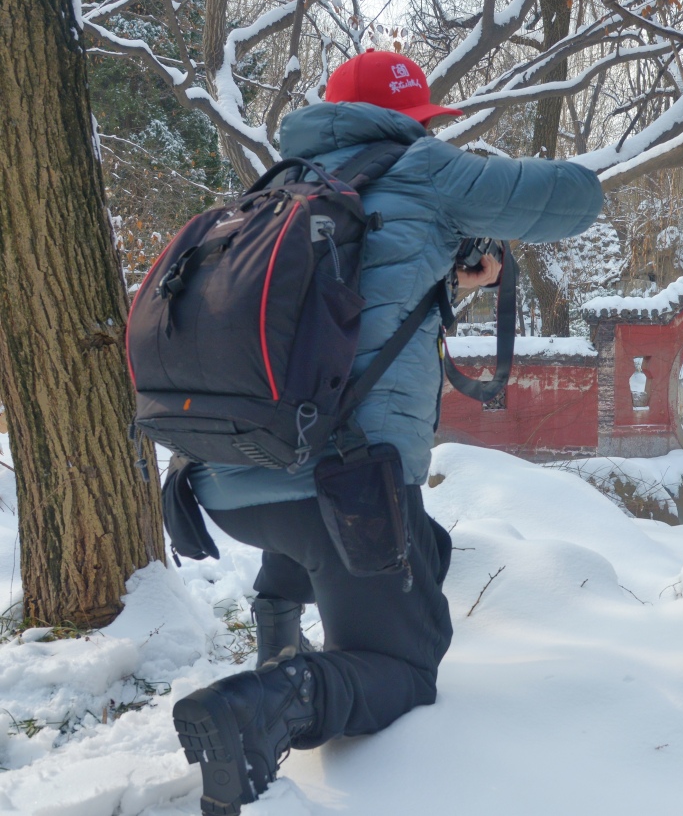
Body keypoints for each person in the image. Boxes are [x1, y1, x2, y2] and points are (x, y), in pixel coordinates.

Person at [172, 49, 603, 815]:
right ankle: (267, 706)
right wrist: (484, 189)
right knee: (399, 665)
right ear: (413, 121)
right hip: (342, 487)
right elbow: (573, 200)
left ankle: (279, 641)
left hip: (219, 479)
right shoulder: (425, 168)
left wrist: (449, 275)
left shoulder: (279, 188)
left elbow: (343, 318)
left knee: (418, 543)